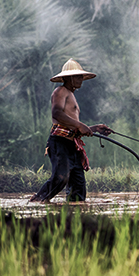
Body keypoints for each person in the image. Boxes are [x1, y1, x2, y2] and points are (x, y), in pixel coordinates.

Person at [29, 59, 113, 203]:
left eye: (81, 76)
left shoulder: (71, 95)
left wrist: (95, 128)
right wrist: (80, 125)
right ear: (68, 78)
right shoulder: (60, 91)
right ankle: (36, 202)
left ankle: (74, 214)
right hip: (59, 143)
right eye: (77, 76)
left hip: (72, 145)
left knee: (78, 187)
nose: (80, 79)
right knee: (61, 178)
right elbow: (57, 113)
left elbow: (73, 127)